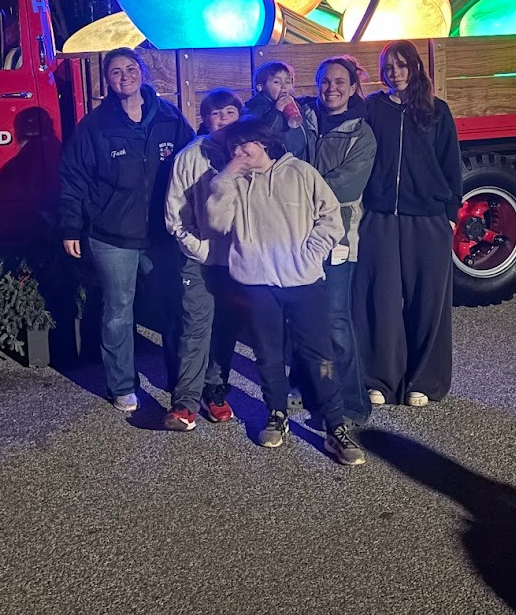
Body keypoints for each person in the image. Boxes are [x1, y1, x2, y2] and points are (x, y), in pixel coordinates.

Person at [205, 119, 366, 466]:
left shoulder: (301, 173)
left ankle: (335, 426)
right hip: (256, 283)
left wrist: (309, 256)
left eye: (244, 144)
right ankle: (276, 413)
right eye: (233, 148)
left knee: (320, 355)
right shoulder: (234, 182)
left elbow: (331, 218)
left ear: (263, 143)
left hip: (303, 282)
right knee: (268, 354)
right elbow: (217, 223)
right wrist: (226, 176)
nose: (238, 152)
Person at [58, 47, 195, 412]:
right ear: (107, 80)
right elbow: (74, 177)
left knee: (174, 305)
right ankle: (122, 385)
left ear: (142, 73)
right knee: (118, 311)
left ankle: (181, 381)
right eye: (116, 71)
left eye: (130, 68)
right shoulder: (95, 126)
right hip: (112, 234)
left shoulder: (169, 117)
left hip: (162, 233)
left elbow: (194, 163)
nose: (124, 76)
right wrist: (70, 227)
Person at [354, 39, 462, 408]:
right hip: (381, 217)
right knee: (379, 301)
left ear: (415, 67)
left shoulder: (436, 110)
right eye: (388, 67)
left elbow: (451, 164)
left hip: (428, 218)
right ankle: (379, 380)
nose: (395, 73)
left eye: (401, 65)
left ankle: (424, 380)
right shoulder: (373, 108)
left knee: (428, 302)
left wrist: (450, 215)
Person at [296, 56, 376, 425]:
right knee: (303, 316)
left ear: (354, 87)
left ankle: (353, 402)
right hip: (297, 234)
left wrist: (296, 188)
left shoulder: (361, 135)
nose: (332, 88)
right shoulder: (302, 121)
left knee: (336, 320)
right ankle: (313, 388)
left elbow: (346, 186)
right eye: (326, 81)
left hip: (339, 237)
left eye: (340, 82)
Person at [161, 89, 244, 430]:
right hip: (197, 258)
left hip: (236, 261)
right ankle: (185, 403)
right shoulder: (190, 156)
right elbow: (175, 212)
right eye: (215, 114)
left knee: (226, 328)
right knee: (195, 327)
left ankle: (216, 391)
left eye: (229, 112)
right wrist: (196, 246)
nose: (223, 120)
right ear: (205, 119)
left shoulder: (249, 155)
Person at [242, 61, 309, 159]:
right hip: (275, 163)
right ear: (261, 87)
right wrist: (276, 112)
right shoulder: (255, 109)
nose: (284, 86)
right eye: (276, 82)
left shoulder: (296, 104)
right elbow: (259, 136)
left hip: (299, 161)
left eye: (288, 82)